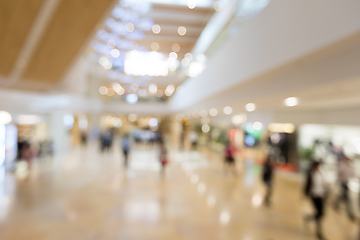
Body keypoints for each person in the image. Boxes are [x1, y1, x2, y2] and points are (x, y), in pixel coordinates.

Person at [304, 161, 328, 240]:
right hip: (314, 194)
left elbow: (323, 185)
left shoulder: (320, 174)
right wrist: (305, 194)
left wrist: (325, 194)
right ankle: (318, 231)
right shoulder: (311, 174)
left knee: (320, 213)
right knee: (319, 212)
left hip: (320, 195)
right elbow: (307, 184)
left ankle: (309, 218)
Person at [333, 156, 356, 221]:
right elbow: (338, 174)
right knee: (345, 197)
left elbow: (352, 174)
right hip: (342, 183)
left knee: (344, 197)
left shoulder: (350, 166)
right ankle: (349, 213)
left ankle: (338, 205)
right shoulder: (342, 166)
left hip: (347, 184)